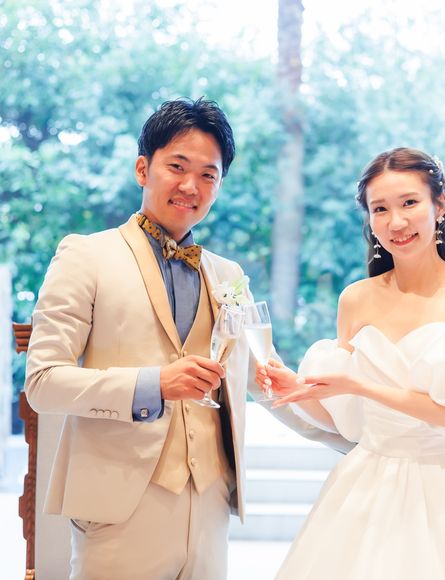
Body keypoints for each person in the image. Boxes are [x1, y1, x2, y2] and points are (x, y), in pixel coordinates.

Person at [25, 97, 351, 580]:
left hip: (211, 505)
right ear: (143, 168)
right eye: (177, 167)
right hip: (118, 509)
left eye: (207, 174)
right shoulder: (85, 256)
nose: (190, 186)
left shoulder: (229, 275)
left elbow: (267, 383)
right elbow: (43, 382)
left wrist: (360, 440)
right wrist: (155, 384)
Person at [258, 147, 445, 579]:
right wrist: (296, 391)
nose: (396, 222)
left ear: (439, 205)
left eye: (409, 203)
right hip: (366, 486)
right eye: (380, 209)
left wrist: (359, 385)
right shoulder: (355, 299)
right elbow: (347, 420)